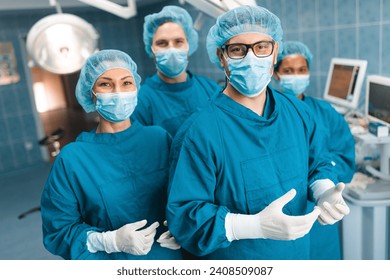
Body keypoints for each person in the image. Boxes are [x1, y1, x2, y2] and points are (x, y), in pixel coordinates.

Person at [166, 5, 350, 260]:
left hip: (298, 256)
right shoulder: (199, 132)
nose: (252, 58)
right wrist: (251, 226)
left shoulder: (298, 112)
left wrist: (324, 191)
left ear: (275, 52)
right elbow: (186, 216)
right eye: (238, 49)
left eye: (262, 47)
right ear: (222, 56)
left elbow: (317, 162)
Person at [40, 49, 182, 260]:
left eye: (126, 83)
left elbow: (186, 195)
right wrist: (108, 241)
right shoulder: (72, 160)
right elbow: (58, 231)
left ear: (136, 88)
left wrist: (184, 228)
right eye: (106, 84)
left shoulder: (160, 139)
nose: (118, 92)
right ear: (91, 92)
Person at [272, 40, 356, 259]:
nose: (296, 75)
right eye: (288, 70)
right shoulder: (269, 113)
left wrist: (323, 182)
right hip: (284, 212)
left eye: (302, 70)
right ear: (277, 74)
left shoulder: (325, 112)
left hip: (320, 212)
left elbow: (344, 158)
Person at [131, 5, 221, 138]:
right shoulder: (141, 101)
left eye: (178, 41)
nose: (171, 49)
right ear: (151, 49)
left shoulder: (210, 89)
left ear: (189, 45)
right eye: (162, 43)